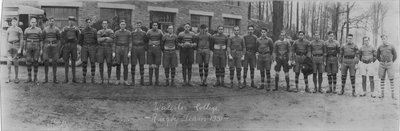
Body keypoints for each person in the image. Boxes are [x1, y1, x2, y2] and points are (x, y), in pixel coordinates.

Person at [377, 34, 397, 100]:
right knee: (382, 78)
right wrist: (381, 61)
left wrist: (391, 61)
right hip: (382, 64)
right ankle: (382, 94)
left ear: (387, 38)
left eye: (384, 38)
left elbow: (395, 55)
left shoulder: (391, 46)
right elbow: (377, 55)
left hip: (389, 64)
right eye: (382, 39)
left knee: (391, 79)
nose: (383, 40)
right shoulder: (380, 47)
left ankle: (393, 95)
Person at [61, 16, 80, 83]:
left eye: (72, 21)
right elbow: (62, 37)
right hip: (66, 46)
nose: (71, 22)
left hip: (73, 46)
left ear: (74, 22)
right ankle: (66, 79)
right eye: (70, 20)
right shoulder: (65, 29)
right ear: (68, 21)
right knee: (66, 62)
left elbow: (78, 38)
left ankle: (74, 78)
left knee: (73, 62)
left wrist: (75, 44)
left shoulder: (76, 29)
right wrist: (65, 43)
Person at [42, 17, 61, 83]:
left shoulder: (57, 29)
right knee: (46, 61)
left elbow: (59, 40)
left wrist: (57, 47)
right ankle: (46, 78)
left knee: (54, 62)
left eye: (52, 21)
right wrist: (44, 46)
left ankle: (54, 78)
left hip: (54, 47)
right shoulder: (45, 29)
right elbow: (43, 39)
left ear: (54, 22)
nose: (51, 22)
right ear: (48, 22)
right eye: (50, 21)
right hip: (47, 47)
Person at [24, 17, 42, 83]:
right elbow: (24, 40)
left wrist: (41, 49)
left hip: (36, 46)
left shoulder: (39, 30)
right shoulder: (26, 30)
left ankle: (35, 77)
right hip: (28, 47)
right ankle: (29, 77)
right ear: (30, 23)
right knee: (28, 61)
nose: (33, 23)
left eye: (34, 22)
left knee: (36, 61)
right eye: (32, 22)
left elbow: (41, 40)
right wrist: (24, 49)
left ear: (36, 23)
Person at [113, 20, 132, 85]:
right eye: (121, 24)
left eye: (124, 24)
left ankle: (125, 80)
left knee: (125, 65)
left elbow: (130, 42)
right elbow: (114, 43)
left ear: (125, 25)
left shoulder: (128, 32)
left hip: (126, 48)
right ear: (119, 25)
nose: (122, 25)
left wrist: (129, 51)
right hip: (118, 48)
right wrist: (114, 52)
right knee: (118, 64)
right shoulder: (116, 32)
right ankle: (118, 80)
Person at [79, 18, 98, 83]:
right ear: (85, 23)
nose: (88, 23)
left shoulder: (94, 31)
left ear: (91, 23)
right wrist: (84, 46)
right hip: (84, 47)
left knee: (93, 62)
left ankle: (93, 77)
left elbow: (96, 40)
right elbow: (80, 40)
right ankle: (84, 78)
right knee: (84, 62)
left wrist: (93, 46)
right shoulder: (83, 31)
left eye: (89, 22)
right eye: (87, 22)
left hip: (92, 47)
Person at [5, 17, 23, 83]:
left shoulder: (19, 29)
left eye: (15, 21)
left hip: (16, 45)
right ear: (11, 22)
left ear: (17, 22)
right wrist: (7, 48)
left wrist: (20, 48)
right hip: (10, 46)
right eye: (13, 21)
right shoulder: (8, 29)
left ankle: (16, 77)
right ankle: (8, 77)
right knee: (9, 63)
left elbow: (21, 39)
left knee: (16, 62)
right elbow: (6, 40)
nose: (14, 23)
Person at [96, 20, 114, 84]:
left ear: (107, 24)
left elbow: (111, 40)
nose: (104, 25)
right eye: (103, 24)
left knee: (109, 63)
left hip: (108, 48)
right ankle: (101, 79)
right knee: (101, 63)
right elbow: (98, 40)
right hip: (101, 48)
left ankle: (109, 78)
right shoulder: (99, 31)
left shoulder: (111, 31)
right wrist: (106, 37)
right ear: (101, 24)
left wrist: (102, 38)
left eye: (105, 24)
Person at [146, 21, 163, 86]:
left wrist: (161, 48)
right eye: (153, 25)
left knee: (157, 65)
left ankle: (157, 81)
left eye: (156, 25)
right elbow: (146, 40)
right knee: (150, 65)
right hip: (150, 49)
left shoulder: (160, 32)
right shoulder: (149, 32)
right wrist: (147, 47)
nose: (155, 26)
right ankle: (150, 81)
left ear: (157, 26)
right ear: (152, 26)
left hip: (157, 49)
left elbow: (162, 40)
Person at [131, 21, 148, 86]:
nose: (138, 26)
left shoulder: (144, 33)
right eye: (137, 25)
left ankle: (142, 80)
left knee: (142, 64)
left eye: (139, 25)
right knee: (133, 64)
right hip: (134, 48)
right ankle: (133, 80)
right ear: (135, 25)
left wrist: (145, 48)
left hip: (141, 48)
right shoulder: (132, 33)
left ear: (141, 26)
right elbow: (131, 40)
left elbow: (146, 41)